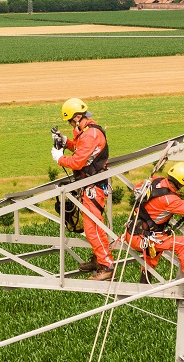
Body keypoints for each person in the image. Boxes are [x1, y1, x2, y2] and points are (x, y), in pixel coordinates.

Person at [124, 162, 184, 300]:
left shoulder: (156, 180)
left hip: (134, 232)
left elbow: (137, 188)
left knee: (161, 238)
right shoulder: (170, 200)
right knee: (183, 244)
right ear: (182, 183)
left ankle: (146, 277)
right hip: (141, 238)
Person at [51, 98, 115, 281]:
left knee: (92, 227)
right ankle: (99, 259)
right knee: (93, 226)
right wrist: (66, 142)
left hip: (93, 186)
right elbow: (81, 150)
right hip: (90, 184)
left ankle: (106, 265)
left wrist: (60, 159)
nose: (71, 124)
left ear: (78, 117)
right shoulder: (86, 132)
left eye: (71, 121)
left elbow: (78, 161)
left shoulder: (90, 134)